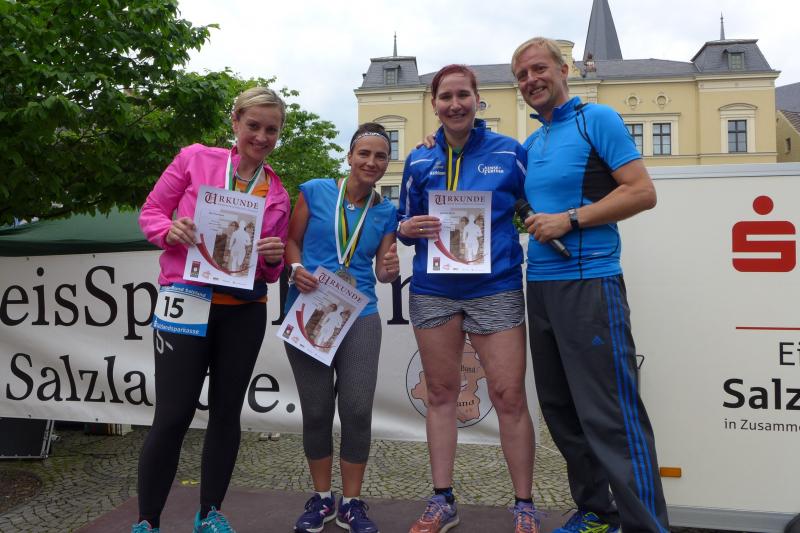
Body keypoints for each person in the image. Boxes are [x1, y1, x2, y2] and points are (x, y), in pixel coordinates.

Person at [512, 37, 669, 533]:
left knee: (611, 415)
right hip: (541, 287)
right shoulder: (532, 143)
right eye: (522, 75)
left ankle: (647, 526)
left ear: (565, 71)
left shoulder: (595, 119)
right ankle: (598, 514)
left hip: (591, 283)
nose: (531, 80)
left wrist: (570, 219)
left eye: (539, 68)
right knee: (561, 412)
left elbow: (642, 192)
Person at [133, 87, 291, 533]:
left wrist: (274, 259)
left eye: (271, 129)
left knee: (226, 413)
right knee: (173, 415)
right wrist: (169, 230)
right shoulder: (195, 159)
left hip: (242, 310)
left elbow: (268, 271)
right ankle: (147, 522)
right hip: (186, 298)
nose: (261, 137)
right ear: (235, 121)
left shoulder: (278, 193)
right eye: (253, 125)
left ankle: (210, 513)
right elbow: (151, 212)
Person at [398, 65, 540, 533]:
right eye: (446, 97)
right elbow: (402, 222)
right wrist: (407, 228)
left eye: (463, 95)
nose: (455, 104)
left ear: (477, 100)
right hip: (434, 289)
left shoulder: (510, 152)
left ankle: (524, 504)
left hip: (494, 286)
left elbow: (534, 206)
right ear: (434, 104)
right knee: (440, 394)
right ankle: (442, 499)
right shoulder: (419, 159)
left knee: (509, 396)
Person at [284, 122, 400, 533]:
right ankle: (321, 498)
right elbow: (291, 242)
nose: (371, 162)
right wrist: (296, 268)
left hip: (360, 315)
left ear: (386, 163)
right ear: (350, 156)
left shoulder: (386, 211)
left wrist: (390, 269)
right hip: (310, 310)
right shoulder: (315, 191)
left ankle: (351, 502)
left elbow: (383, 272)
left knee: (356, 409)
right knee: (316, 410)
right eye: (364, 153)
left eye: (381, 156)